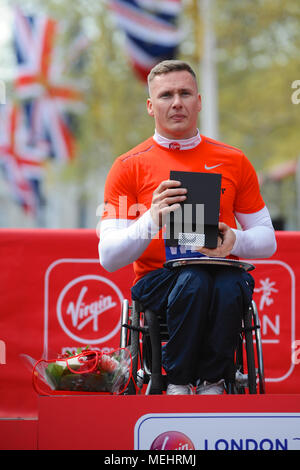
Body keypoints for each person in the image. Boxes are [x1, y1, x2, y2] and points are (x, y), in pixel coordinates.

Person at [99, 60, 276, 395]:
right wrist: (151, 218)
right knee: (193, 280)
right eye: (166, 95)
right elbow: (108, 257)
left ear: (199, 101)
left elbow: (267, 240)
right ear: (151, 106)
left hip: (221, 273)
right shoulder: (127, 167)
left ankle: (213, 382)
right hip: (158, 280)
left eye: (184, 93)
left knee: (225, 283)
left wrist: (234, 239)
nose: (176, 102)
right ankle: (177, 382)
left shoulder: (234, 160)